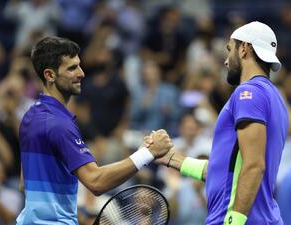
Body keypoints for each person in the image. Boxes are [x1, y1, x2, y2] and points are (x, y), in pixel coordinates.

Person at [16, 36, 173, 224]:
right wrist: (148, 153)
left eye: (79, 65)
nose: (81, 73)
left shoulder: (30, 116)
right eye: (72, 68)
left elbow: (23, 183)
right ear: (50, 75)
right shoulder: (59, 124)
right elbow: (96, 181)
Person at [156, 21, 289, 225]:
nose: (226, 61)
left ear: (244, 48)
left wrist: (233, 221)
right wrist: (171, 158)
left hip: (238, 220)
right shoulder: (274, 97)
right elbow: (224, 170)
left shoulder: (249, 93)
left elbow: (254, 165)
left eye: (230, 49)